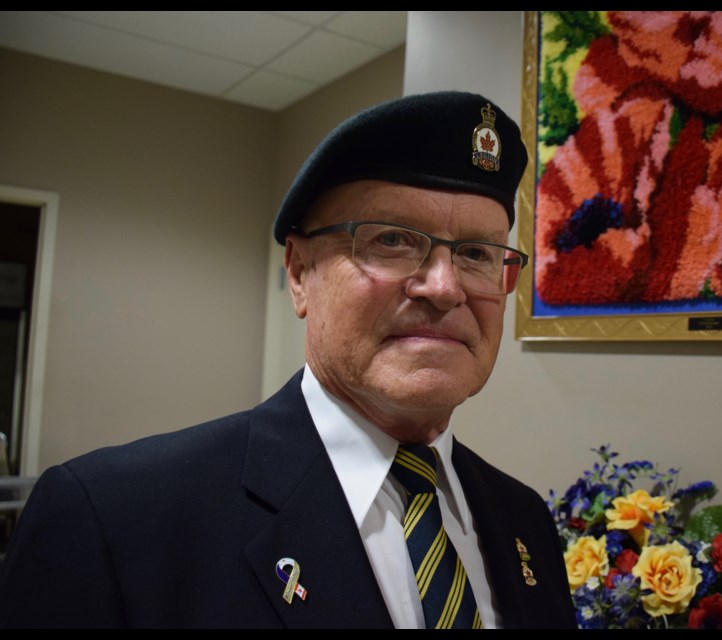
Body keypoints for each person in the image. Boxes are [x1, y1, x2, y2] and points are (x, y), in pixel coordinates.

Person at [0, 91, 577, 629]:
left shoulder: (523, 518)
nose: (445, 287)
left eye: (477, 253)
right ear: (300, 275)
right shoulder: (111, 520)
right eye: (392, 240)